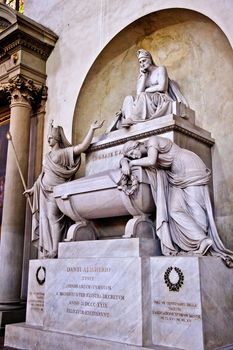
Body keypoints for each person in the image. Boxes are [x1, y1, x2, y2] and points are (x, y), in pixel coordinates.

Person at [120, 136, 233, 267]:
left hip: (189, 166)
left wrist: (131, 163)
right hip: (175, 176)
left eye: (132, 153)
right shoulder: (141, 154)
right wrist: (124, 162)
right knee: (174, 211)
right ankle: (201, 240)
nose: (134, 157)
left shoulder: (152, 142)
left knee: (195, 208)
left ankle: (203, 241)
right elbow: (124, 159)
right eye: (131, 156)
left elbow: (151, 161)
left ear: (136, 146)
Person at [24, 119, 104, 258]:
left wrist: (91, 129)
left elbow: (82, 147)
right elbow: (43, 174)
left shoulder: (63, 153)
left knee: (53, 217)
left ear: (56, 139)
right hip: (43, 189)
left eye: (50, 137)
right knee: (46, 218)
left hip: (56, 190)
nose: (48, 140)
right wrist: (32, 189)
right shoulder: (47, 156)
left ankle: (55, 249)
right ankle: (49, 248)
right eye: (48, 138)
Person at [112, 49, 188, 129]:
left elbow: (162, 87)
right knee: (128, 99)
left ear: (150, 60)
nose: (142, 64)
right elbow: (139, 94)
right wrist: (144, 76)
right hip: (146, 99)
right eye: (140, 62)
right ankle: (129, 119)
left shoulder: (160, 69)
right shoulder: (143, 75)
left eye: (144, 60)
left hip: (160, 98)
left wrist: (147, 90)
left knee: (143, 95)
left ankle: (133, 119)